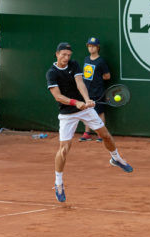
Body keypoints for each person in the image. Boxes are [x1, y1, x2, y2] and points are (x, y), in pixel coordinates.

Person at [46, 42, 133, 202]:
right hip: (67, 114)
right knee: (64, 149)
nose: (66, 58)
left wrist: (86, 100)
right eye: (63, 55)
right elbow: (58, 96)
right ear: (57, 54)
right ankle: (58, 183)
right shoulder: (52, 73)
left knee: (105, 135)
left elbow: (80, 83)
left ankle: (116, 158)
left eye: (68, 55)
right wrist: (75, 102)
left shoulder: (74, 65)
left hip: (85, 109)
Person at [79, 37, 111, 142]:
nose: (91, 48)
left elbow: (107, 76)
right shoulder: (86, 59)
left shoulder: (101, 61)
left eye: (93, 46)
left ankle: (101, 135)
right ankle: (87, 133)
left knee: (100, 112)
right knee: (87, 112)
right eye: (89, 46)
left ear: (98, 48)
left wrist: (97, 77)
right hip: (87, 92)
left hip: (98, 91)